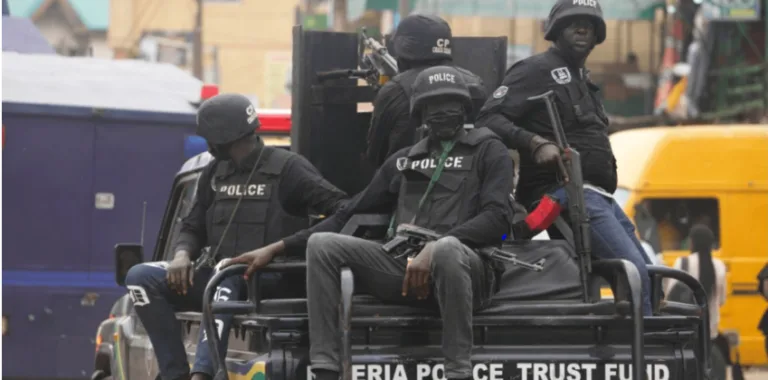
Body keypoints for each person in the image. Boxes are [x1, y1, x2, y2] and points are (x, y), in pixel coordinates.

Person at [226, 65, 515, 380]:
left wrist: (436, 247)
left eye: (452, 104)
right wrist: (278, 247)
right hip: (406, 269)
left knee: (447, 249)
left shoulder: (489, 149)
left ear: (465, 108)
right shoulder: (405, 160)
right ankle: (325, 368)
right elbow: (347, 213)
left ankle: (458, 372)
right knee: (322, 245)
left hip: (469, 272)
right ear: (421, 112)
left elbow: (497, 219)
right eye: (434, 105)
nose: (444, 111)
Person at [123, 93, 348, 380]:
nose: (208, 145)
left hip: (271, 281)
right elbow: (192, 226)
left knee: (228, 273)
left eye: (209, 138)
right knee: (140, 277)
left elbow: (343, 210)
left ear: (221, 137)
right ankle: (175, 373)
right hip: (221, 275)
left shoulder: (288, 168)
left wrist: (281, 247)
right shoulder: (214, 172)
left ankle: (204, 374)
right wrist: (181, 255)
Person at [474, 0, 654, 315]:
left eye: (589, 23)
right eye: (573, 23)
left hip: (598, 196)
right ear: (556, 31)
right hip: (565, 193)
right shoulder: (535, 70)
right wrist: (534, 142)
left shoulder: (584, 81)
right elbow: (488, 118)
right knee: (633, 273)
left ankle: (636, 350)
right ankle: (643, 356)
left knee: (650, 277)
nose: (582, 28)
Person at [364, 13, 487, 168]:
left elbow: (375, 155)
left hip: (408, 187)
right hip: (469, 187)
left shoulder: (395, 89)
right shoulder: (475, 82)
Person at [665, 224, 727, 379]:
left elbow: (670, 296)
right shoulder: (719, 266)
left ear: (692, 242)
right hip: (709, 331)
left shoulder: (683, 263)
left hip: (686, 330)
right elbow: (722, 300)